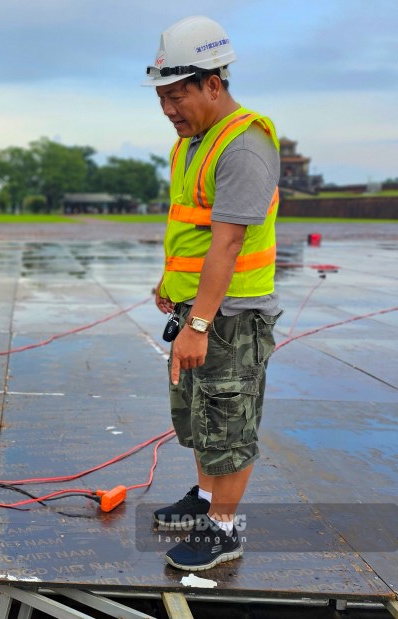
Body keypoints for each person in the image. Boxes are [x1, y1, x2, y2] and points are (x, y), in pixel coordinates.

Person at [144, 16, 282, 571]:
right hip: (196, 306)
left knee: (229, 421)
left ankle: (223, 530)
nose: (170, 109)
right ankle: (205, 501)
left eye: (179, 95)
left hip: (232, 315)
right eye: (162, 97)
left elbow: (226, 245)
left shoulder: (244, 147)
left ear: (213, 84)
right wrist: (172, 288)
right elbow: (191, 230)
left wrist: (199, 324)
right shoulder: (192, 144)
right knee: (200, 417)